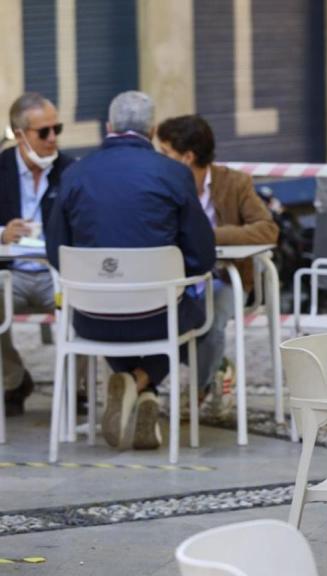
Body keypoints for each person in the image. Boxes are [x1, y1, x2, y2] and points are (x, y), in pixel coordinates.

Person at [46, 91, 216, 451]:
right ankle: (142, 382)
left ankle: (132, 383)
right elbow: (202, 256)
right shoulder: (173, 173)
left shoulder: (74, 173)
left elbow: (56, 251)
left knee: (116, 310)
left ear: (109, 126)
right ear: (152, 130)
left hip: (90, 317)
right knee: (197, 313)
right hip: (158, 316)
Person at [155, 114, 279, 412]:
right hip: (175, 278)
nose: (158, 159)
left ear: (187, 157)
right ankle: (218, 367)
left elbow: (267, 229)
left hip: (226, 276)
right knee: (153, 320)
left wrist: (207, 236)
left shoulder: (235, 182)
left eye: (165, 153)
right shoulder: (161, 184)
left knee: (211, 323)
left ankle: (198, 390)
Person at [0, 93, 79, 416]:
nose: (52, 138)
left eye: (56, 129)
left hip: (56, 275)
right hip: (10, 274)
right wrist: (2, 234)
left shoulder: (70, 170)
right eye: (43, 132)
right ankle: (14, 379)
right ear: (20, 135)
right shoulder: (1, 167)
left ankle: (74, 387)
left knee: (88, 304)